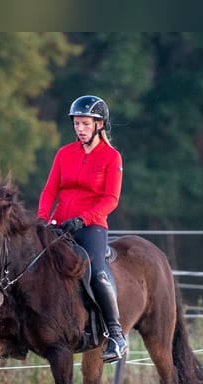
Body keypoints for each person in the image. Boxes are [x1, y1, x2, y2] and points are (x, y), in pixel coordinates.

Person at [37, 95, 127, 363]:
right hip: (59, 222)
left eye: (85, 123)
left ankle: (115, 334)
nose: (80, 128)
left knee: (96, 270)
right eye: (77, 123)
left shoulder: (111, 157)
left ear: (100, 125)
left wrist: (85, 219)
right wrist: (42, 219)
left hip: (92, 226)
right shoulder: (64, 153)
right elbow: (49, 189)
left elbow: (111, 199)